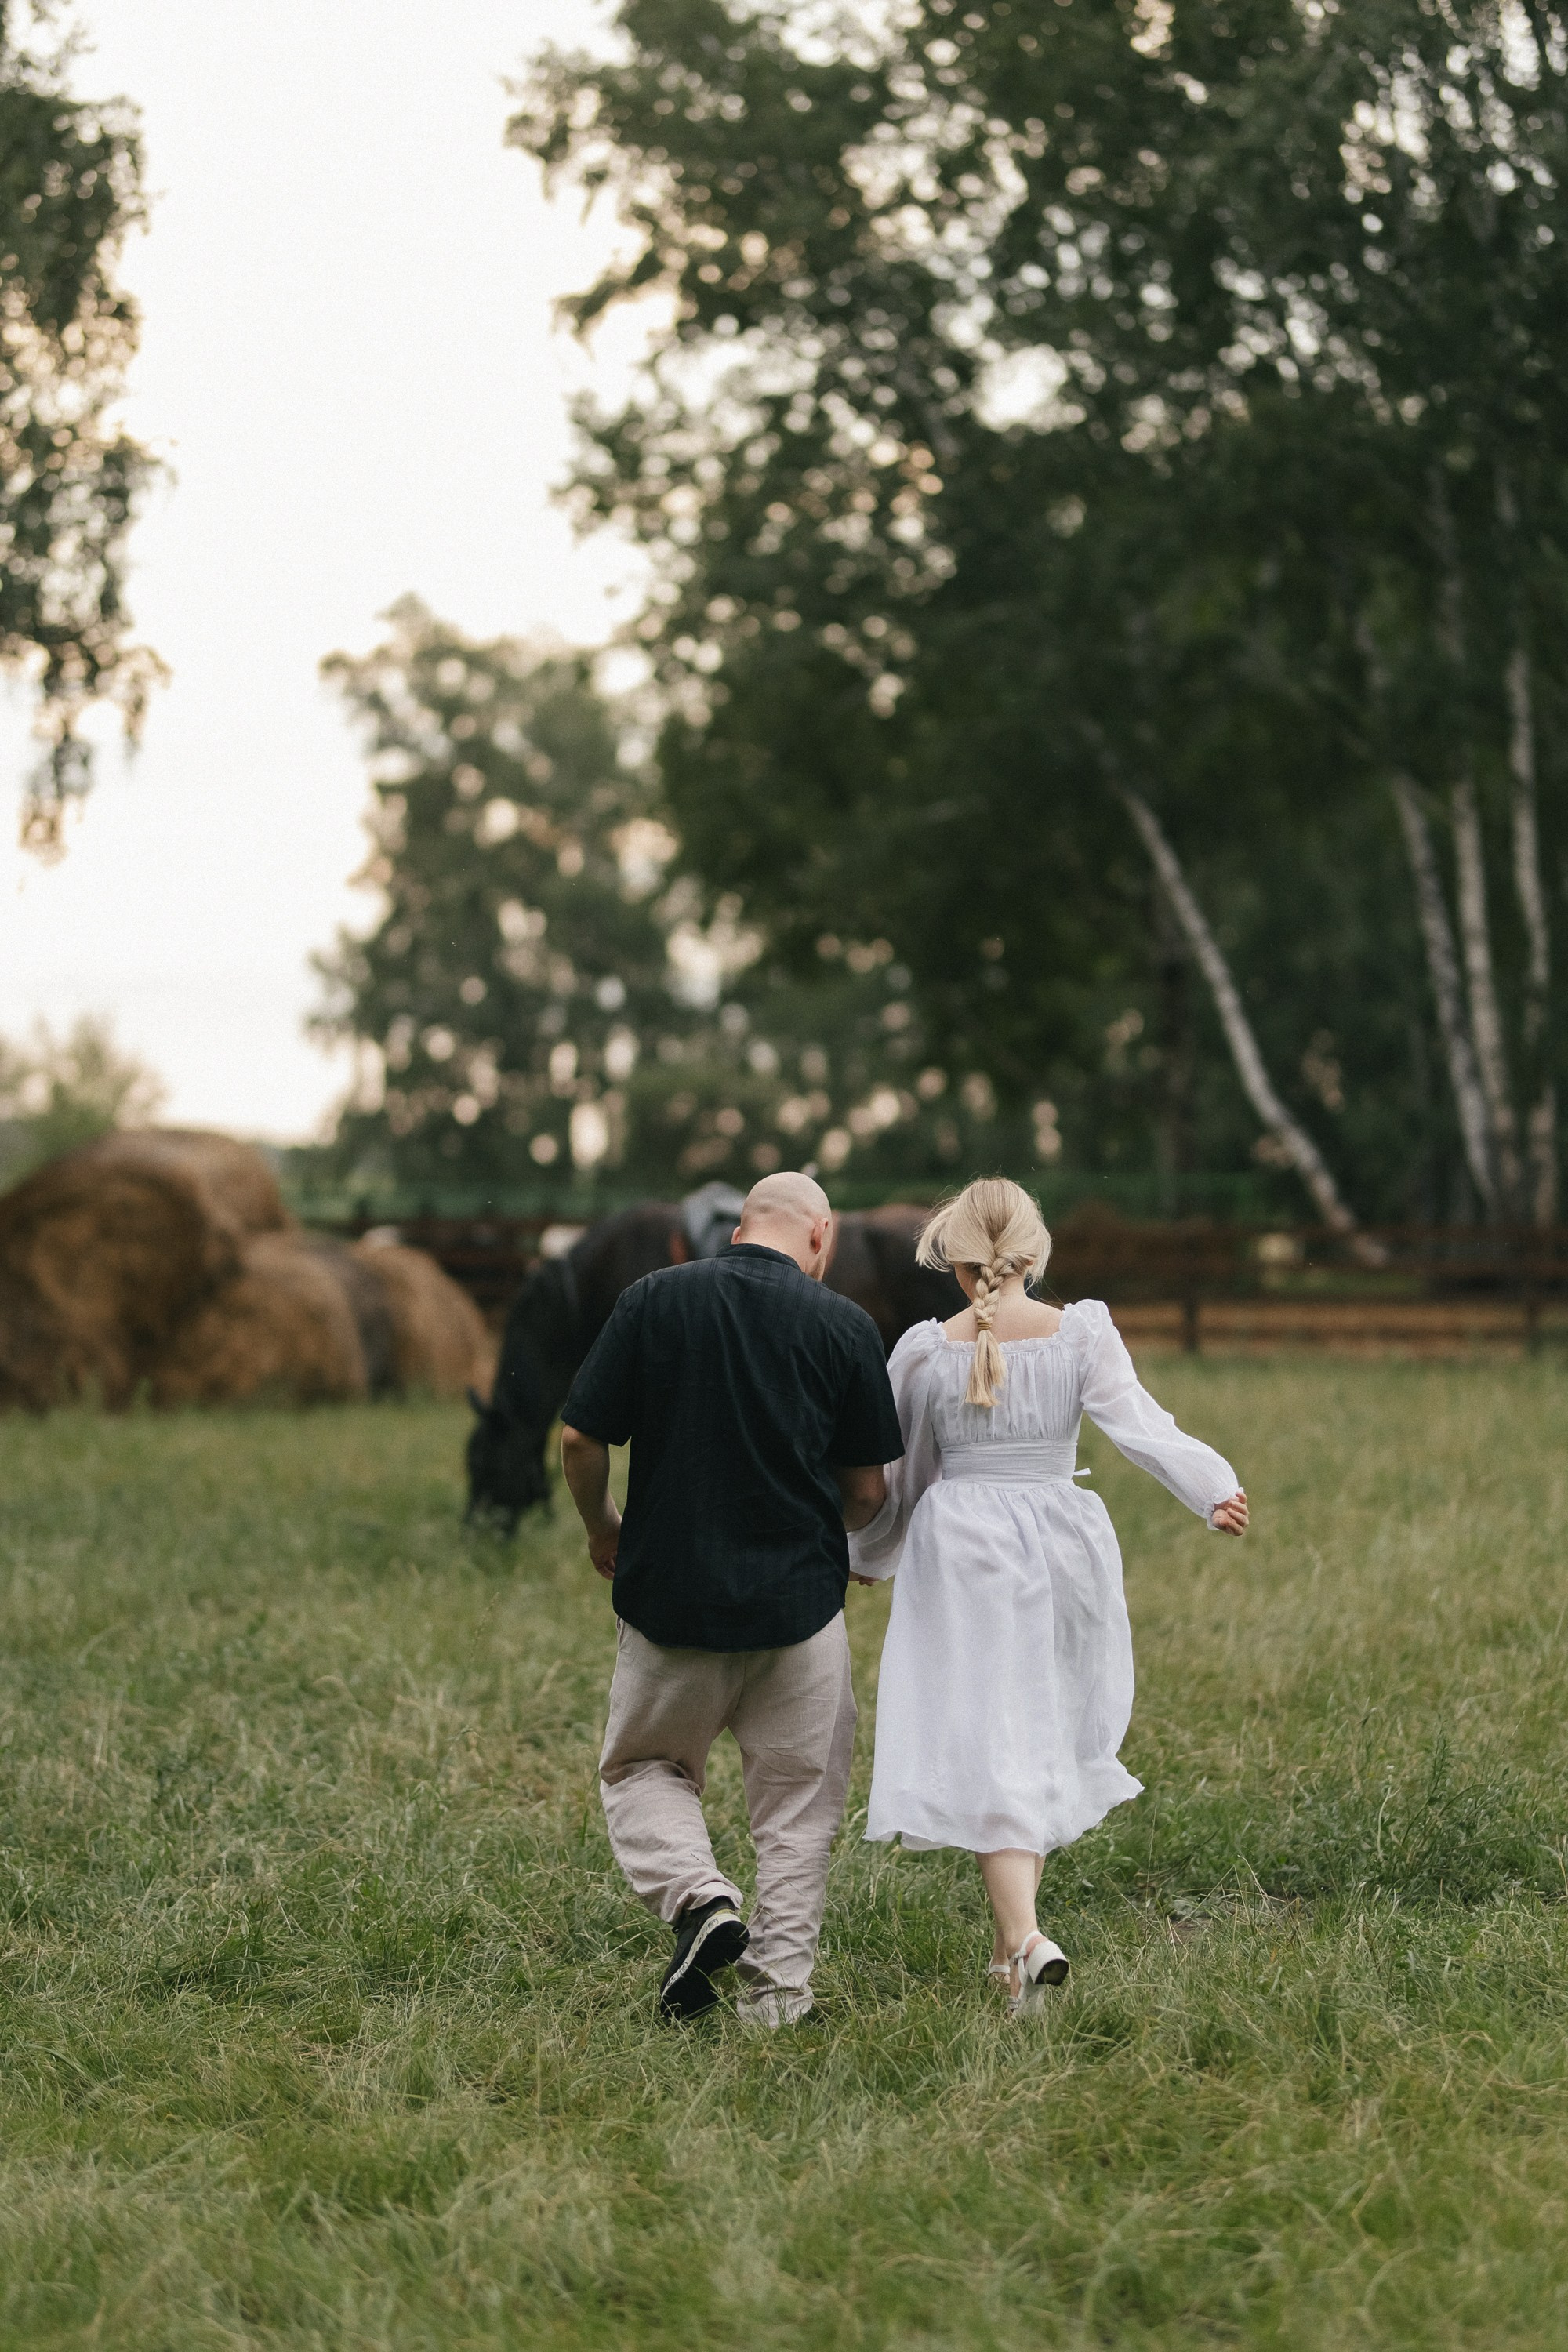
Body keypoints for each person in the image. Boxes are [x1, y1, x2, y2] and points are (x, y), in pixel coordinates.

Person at [850, 1178, 1247, 2017]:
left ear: (955, 1264)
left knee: (989, 1746)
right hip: (1060, 1541)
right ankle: (1010, 1974)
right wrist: (1210, 1487)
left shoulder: (923, 1351)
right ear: (1031, 1257)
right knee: (1025, 1740)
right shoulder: (1080, 1335)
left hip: (959, 1546)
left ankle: (1025, 1940)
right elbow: (1137, 1423)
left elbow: (900, 1476)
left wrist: (869, 1554)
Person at [559, 1171, 904, 2028]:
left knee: (644, 1768)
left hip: (670, 1601)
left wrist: (604, 1526)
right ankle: (779, 2000)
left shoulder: (653, 1300)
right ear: (820, 1237)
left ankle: (701, 1900)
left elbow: (578, 1436)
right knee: (796, 1807)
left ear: (739, 1225)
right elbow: (866, 1490)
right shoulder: (845, 1324)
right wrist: (840, 1538)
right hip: (799, 1611)